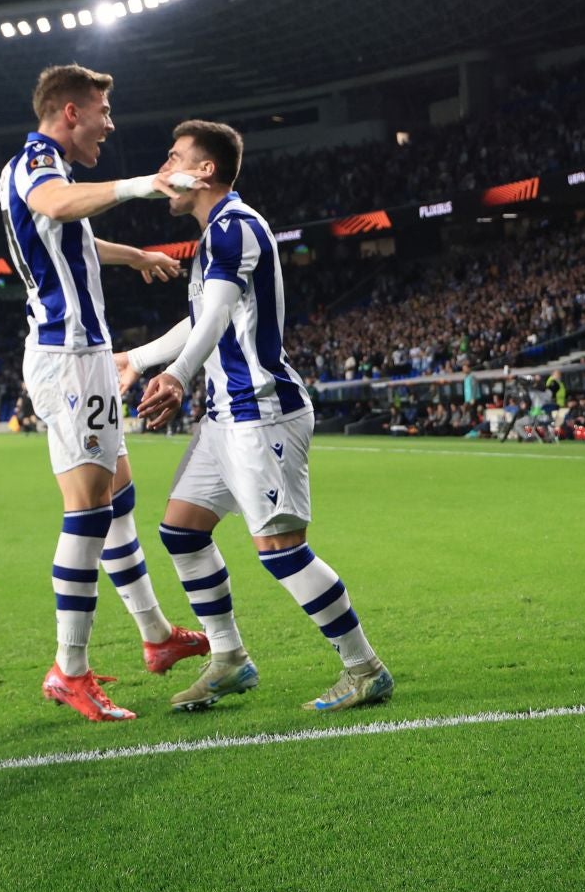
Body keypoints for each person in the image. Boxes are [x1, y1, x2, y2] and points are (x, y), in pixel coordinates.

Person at [123, 119, 393, 714]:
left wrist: (177, 375)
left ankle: (364, 668)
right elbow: (202, 320)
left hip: (261, 413)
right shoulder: (215, 234)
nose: (164, 170)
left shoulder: (236, 227)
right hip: (225, 417)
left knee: (281, 549)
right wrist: (138, 360)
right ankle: (230, 660)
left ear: (205, 170)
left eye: (174, 158)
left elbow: (217, 314)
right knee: (181, 531)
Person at [0, 64, 205, 723]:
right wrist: (148, 184)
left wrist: (135, 257)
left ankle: (154, 636)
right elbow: (56, 206)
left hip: (81, 355)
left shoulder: (45, 167)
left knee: (116, 494)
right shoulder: (36, 163)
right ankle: (70, 669)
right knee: (87, 509)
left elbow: (75, 235)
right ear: (68, 114)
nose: (110, 125)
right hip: (67, 356)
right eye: (103, 112)